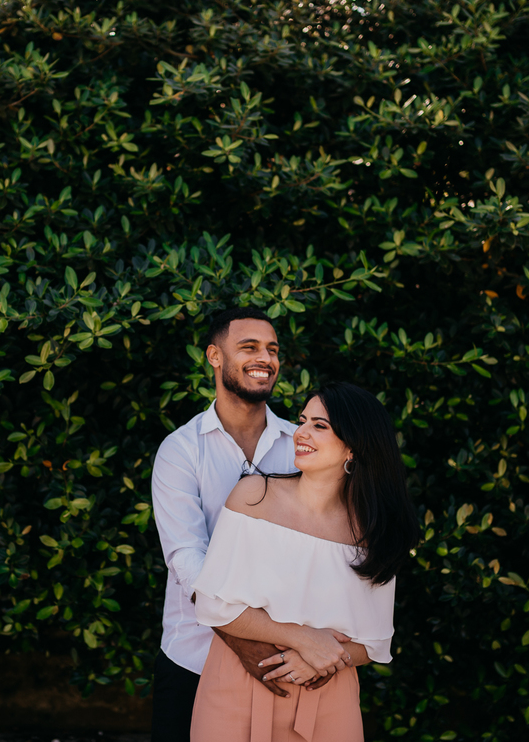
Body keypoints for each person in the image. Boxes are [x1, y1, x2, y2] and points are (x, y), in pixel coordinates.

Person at [189, 382, 419, 742]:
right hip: (238, 683)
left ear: (354, 446)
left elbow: (375, 642)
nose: (301, 432)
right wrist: (302, 639)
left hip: (328, 696)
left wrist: (321, 657)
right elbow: (213, 603)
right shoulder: (254, 495)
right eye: (303, 420)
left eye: (320, 425)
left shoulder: (373, 530)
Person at [151, 306, 309, 742]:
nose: (266, 358)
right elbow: (186, 557)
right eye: (249, 347)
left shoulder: (301, 447)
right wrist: (245, 641)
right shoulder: (181, 450)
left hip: (285, 660)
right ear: (214, 357)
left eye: (272, 349)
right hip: (193, 658)